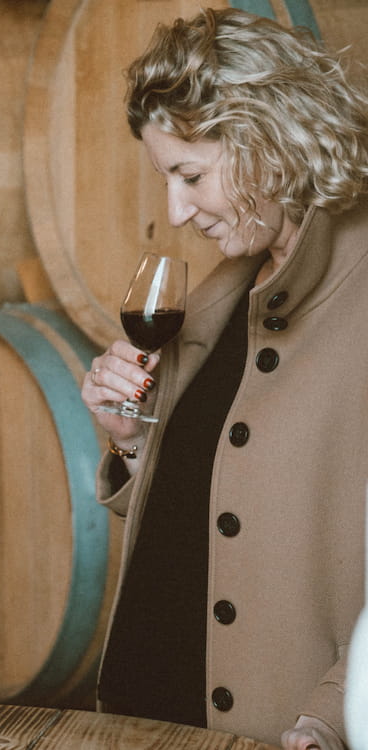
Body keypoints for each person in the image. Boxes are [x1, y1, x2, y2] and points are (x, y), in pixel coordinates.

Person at [80, 8, 368, 749]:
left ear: (270, 141)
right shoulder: (225, 287)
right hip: (151, 706)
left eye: (190, 176)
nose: (176, 212)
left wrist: (336, 714)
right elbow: (216, 496)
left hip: (280, 726)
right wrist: (131, 441)